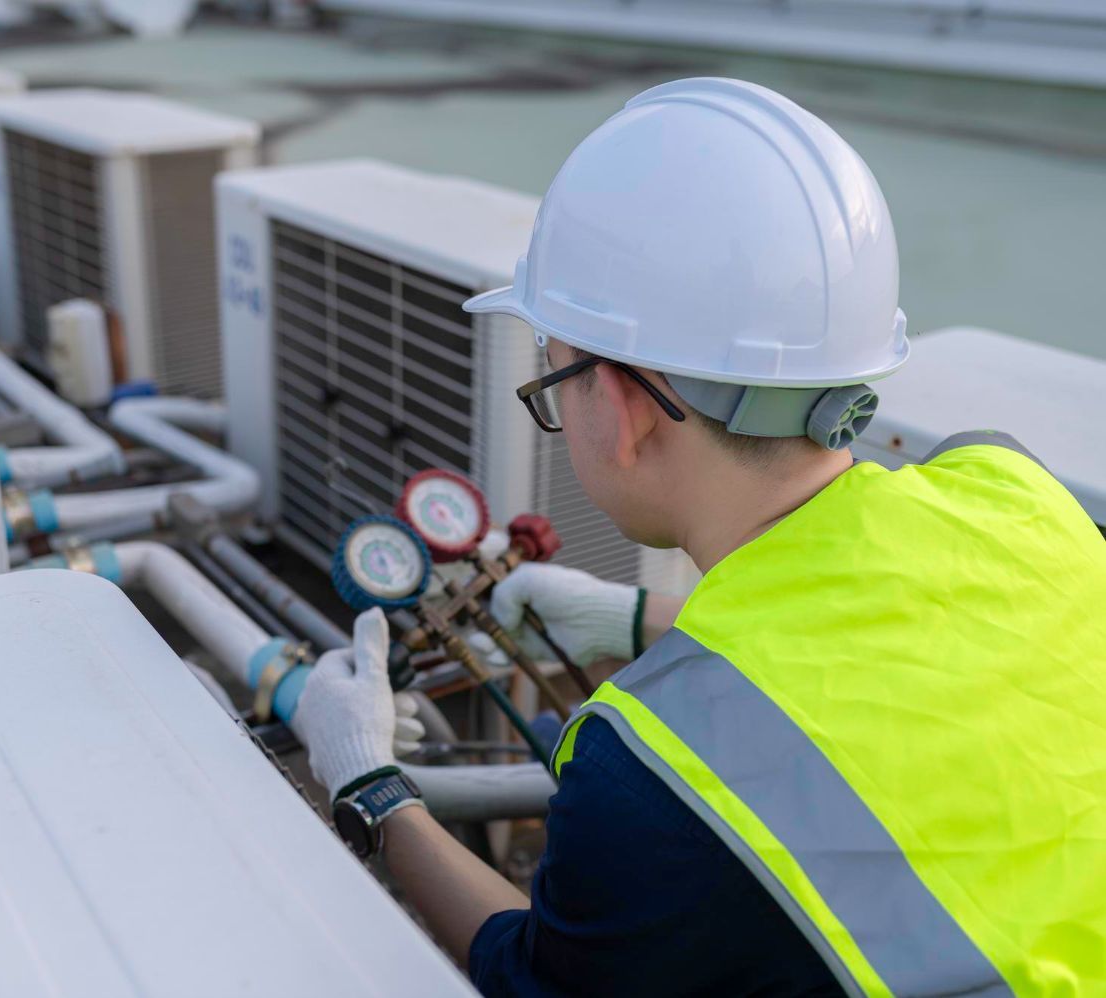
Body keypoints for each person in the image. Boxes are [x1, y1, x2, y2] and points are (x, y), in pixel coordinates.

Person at [290, 78, 1106, 996]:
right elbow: (897, 644)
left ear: (625, 405)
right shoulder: (1014, 489)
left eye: (553, 377)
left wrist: (372, 788)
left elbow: (528, 975)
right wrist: (643, 619)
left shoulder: (646, 784)